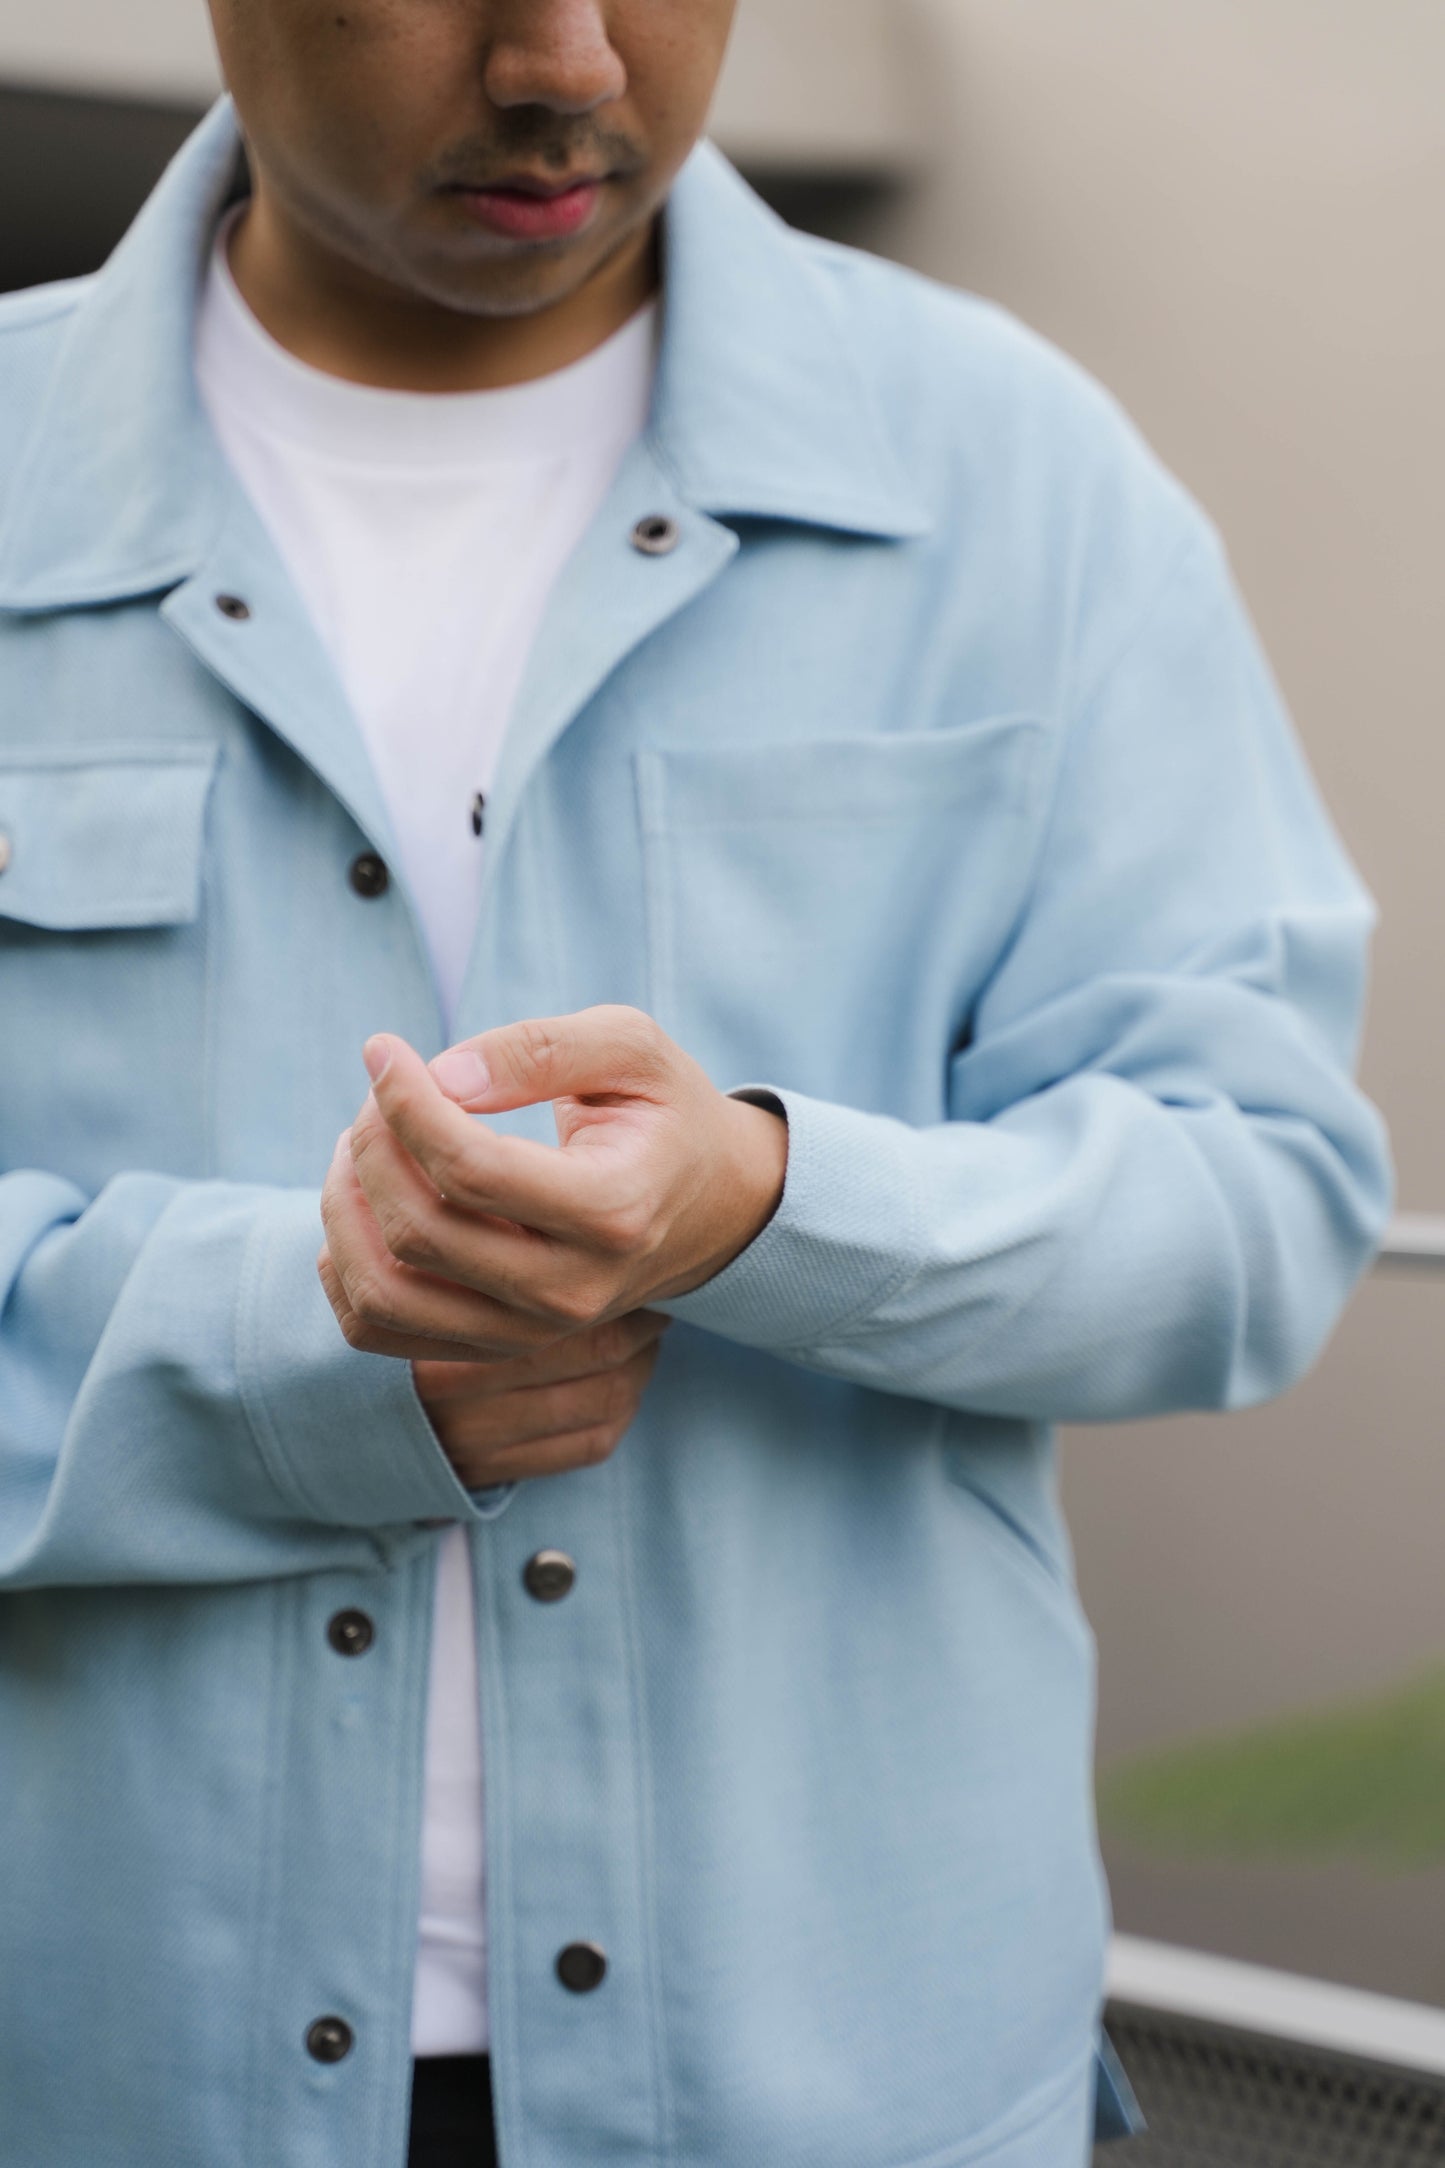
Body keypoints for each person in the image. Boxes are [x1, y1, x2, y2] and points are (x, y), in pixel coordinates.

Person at [0, 3, 1391, 2164]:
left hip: (866, 2097)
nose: (566, 61)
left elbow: (1263, 1198)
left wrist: (770, 1206)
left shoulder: (1014, 477)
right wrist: (277, 1351)